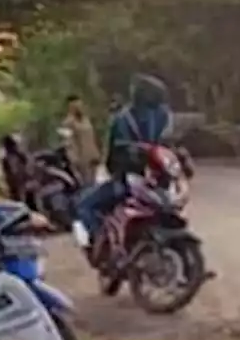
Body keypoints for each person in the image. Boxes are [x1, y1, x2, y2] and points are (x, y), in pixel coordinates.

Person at [73, 74, 173, 255]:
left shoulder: (123, 119)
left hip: (128, 181)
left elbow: (114, 153)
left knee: (84, 205)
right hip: (160, 183)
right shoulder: (164, 117)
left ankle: (102, 248)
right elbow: (169, 146)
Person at [61, 95, 101, 184]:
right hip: (80, 161)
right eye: (75, 106)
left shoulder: (86, 120)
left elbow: (93, 137)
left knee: (93, 184)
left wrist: (97, 154)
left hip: (91, 158)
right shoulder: (67, 123)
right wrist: (74, 160)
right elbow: (68, 143)